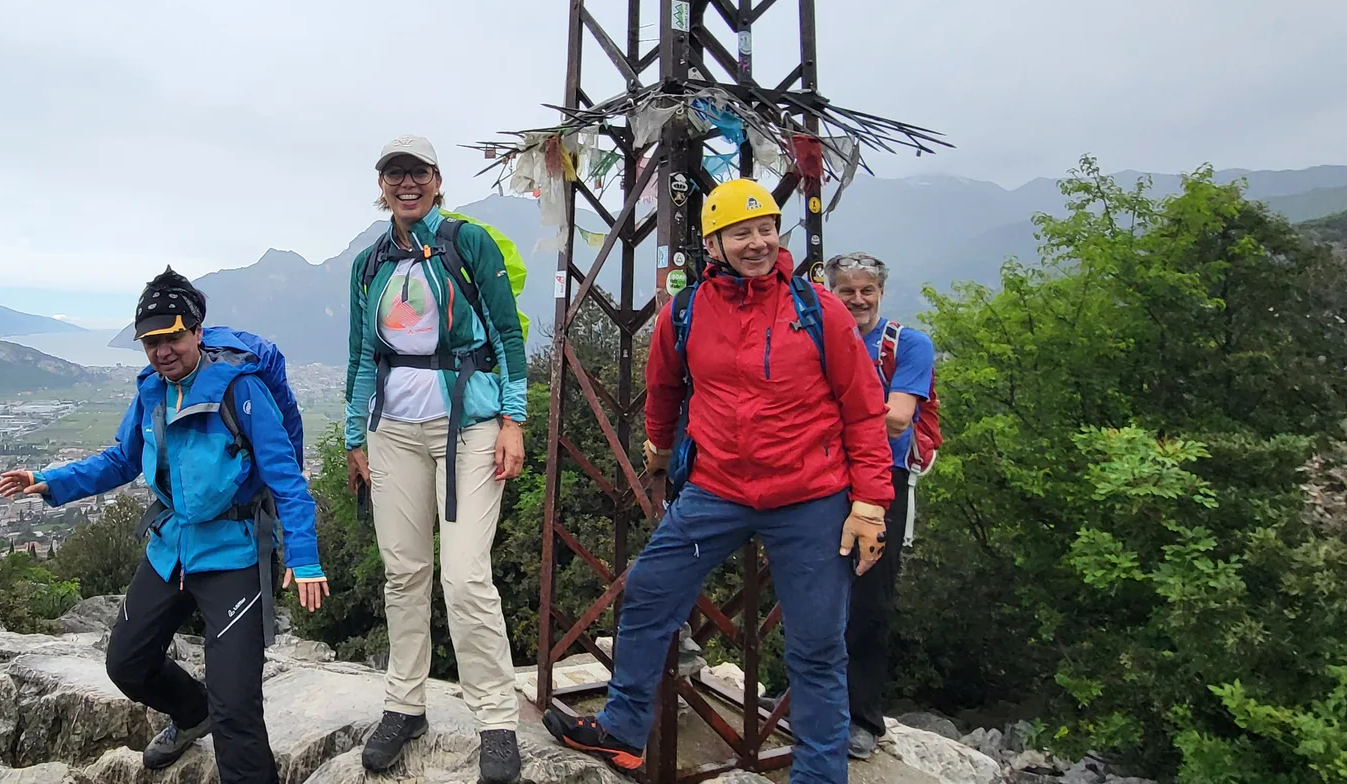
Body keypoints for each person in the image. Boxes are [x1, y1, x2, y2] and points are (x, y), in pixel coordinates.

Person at [544, 178, 894, 784]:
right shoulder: (686, 311)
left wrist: (870, 503)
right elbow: (665, 387)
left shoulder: (818, 308)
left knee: (815, 647)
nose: (757, 243)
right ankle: (624, 732)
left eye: (765, 229)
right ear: (715, 242)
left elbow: (863, 408)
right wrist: (660, 449)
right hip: (716, 489)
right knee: (650, 594)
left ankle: (819, 775)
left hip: (810, 496)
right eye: (742, 233)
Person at [0, 269, 327, 784]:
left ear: (197, 331)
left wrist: (303, 557)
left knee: (237, 707)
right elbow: (121, 459)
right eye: (151, 340)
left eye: (172, 336)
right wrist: (50, 480)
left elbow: (287, 480)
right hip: (170, 549)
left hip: (233, 555)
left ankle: (224, 729)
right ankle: (192, 713)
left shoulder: (242, 392)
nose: (162, 351)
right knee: (127, 663)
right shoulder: (151, 392)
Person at [343, 134, 528, 784]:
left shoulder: (466, 242)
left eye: (417, 172)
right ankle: (404, 706)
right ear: (383, 185)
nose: (406, 183)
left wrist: (514, 420)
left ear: (437, 179)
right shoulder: (370, 263)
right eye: (395, 174)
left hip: (470, 426)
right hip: (392, 430)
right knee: (404, 575)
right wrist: (352, 437)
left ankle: (497, 721)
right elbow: (363, 356)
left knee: (465, 577)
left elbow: (507, 332)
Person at [828, 251, 936, 759]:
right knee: (815, 589)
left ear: (881, 293)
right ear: (832, 292)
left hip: (883, 480)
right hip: (826, 475)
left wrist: (837, 404)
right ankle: (807, 695)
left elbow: (898, 419)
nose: (857, 299)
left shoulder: (908, 345)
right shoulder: (822, 337)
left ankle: (863, 720)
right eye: (847, 290)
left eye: (865, 289)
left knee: (869, 601)